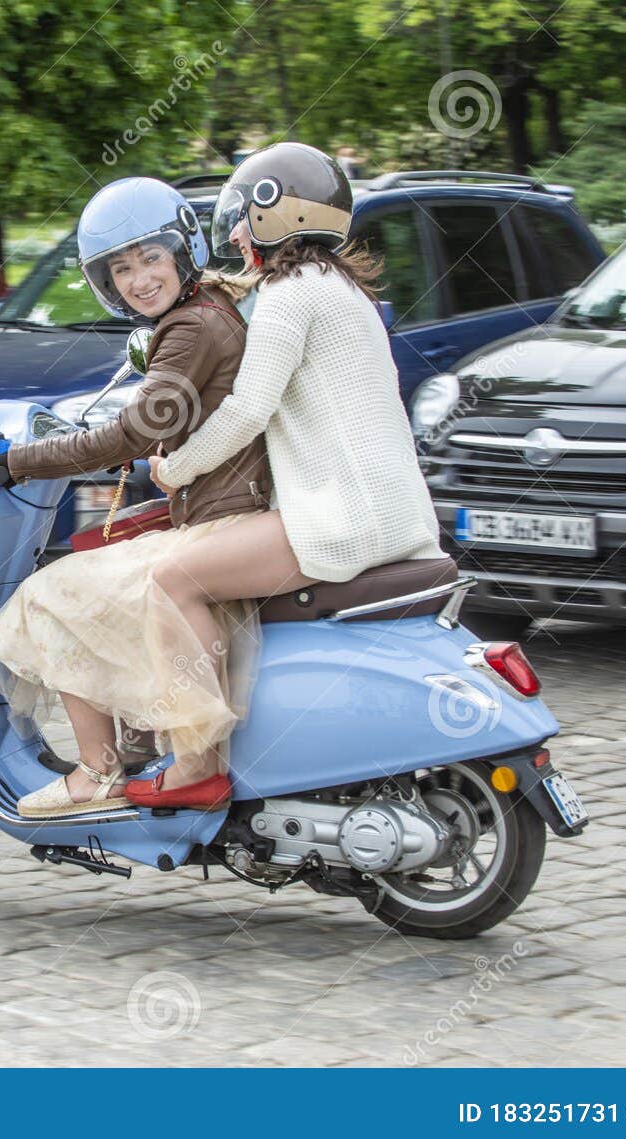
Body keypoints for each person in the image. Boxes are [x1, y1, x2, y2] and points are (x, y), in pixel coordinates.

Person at [139, 141, 446, 803]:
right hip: (399, 518)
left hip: (342, 522)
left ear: (280, 214)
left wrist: (176, 469)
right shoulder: (341, 290)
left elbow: (248, 408)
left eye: (246, 216)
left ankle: (196, 766)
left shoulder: (289, 294)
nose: (238, 232)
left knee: (172, 579)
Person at [0, 177, 272, 819]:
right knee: (98, 551)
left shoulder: (191, 329)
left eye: (151, 258)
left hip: (224, 518)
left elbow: (137, 432)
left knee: (54, 593)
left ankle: (98, 773)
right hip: (219, 508)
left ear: (182, 251)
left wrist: (17, 460)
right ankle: (135, 744)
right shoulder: (206, 311)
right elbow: (160, 416)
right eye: (122, 267)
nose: (139, 279)